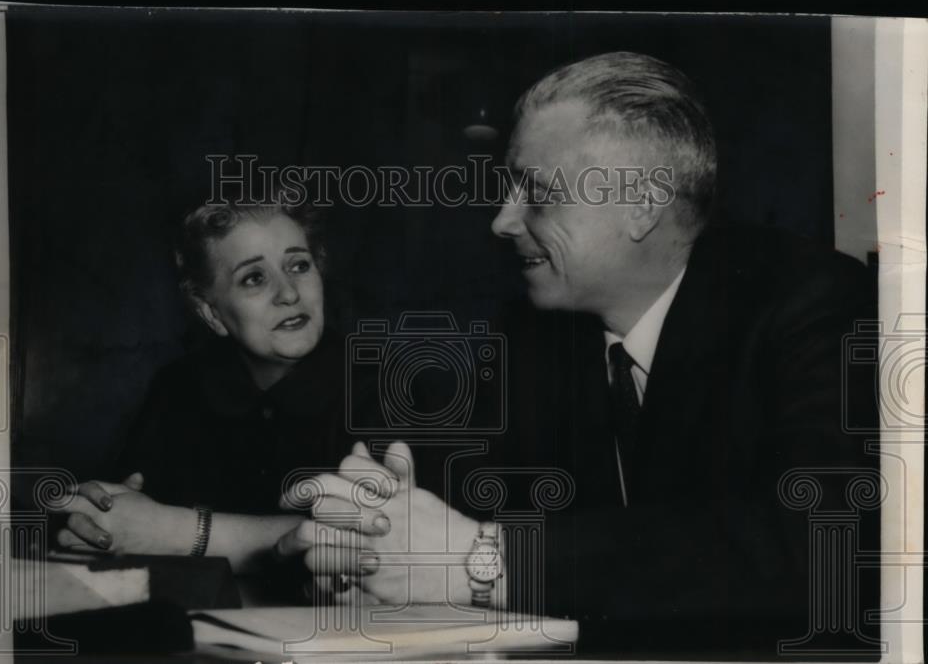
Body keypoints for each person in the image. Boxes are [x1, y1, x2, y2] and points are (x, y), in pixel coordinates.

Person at [277, 51, 880, 657]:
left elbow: (823, 542)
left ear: (643, 203)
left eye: (536, 192)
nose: (502, 221)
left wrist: (484, 560)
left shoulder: (813, 304)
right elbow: (457, 506)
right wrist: (368, 541)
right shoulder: (538, 335)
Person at [50, 199, 372, 577]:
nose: (288, 293)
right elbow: (131, 513)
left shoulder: (391, 388)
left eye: (299, 265)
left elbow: (380, 541)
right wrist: (99, 513)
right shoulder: (177, 387)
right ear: (211, 313)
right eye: (254, 277)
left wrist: (177, 532)